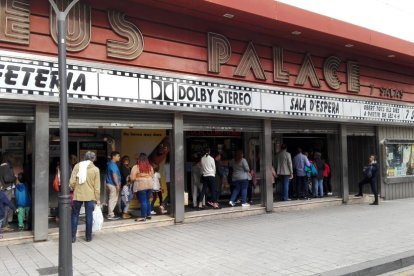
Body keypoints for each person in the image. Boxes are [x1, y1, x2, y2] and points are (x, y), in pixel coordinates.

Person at [70, 151, 101, 243]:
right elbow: (97, 187)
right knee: (89, 216)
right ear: (93, 159)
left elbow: (72, 182)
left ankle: (72, 237)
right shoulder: (95, 169)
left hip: (78, 194)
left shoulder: (77, 166)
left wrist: (77, 187)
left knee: (75, 215)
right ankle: (88, 237)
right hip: (90, 196)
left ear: (84, 157)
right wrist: (97, 198)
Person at [131, 153, 154, 221]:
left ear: (139, 159)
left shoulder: (136, 167)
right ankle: (148, 215)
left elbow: (132, 178)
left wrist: (138, 177)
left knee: (143, 201)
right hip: (150, 184)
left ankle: (143, 217)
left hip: (141, 185)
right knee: (147, 200)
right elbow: (152, 176)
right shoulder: (150, 166)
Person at [0, 153, 16, 228]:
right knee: (6, 207)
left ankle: (4, 224)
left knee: (4, 206)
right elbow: (7, 179)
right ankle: (4, 225)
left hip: (4, 189)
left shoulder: (1, 166)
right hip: (7, 189)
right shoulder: (6, 166)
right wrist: (14, 177)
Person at [105, 151, 121, 220]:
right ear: (113, 157)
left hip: (109, 183)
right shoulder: (113, 165)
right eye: (118, 156)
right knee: (113, 199)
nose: (119, 157)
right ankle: (110, 214)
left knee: (111, 199)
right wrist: (117, 185)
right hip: (113, 184)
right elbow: (114, 175)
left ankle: (110, 213)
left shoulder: (109, 163)